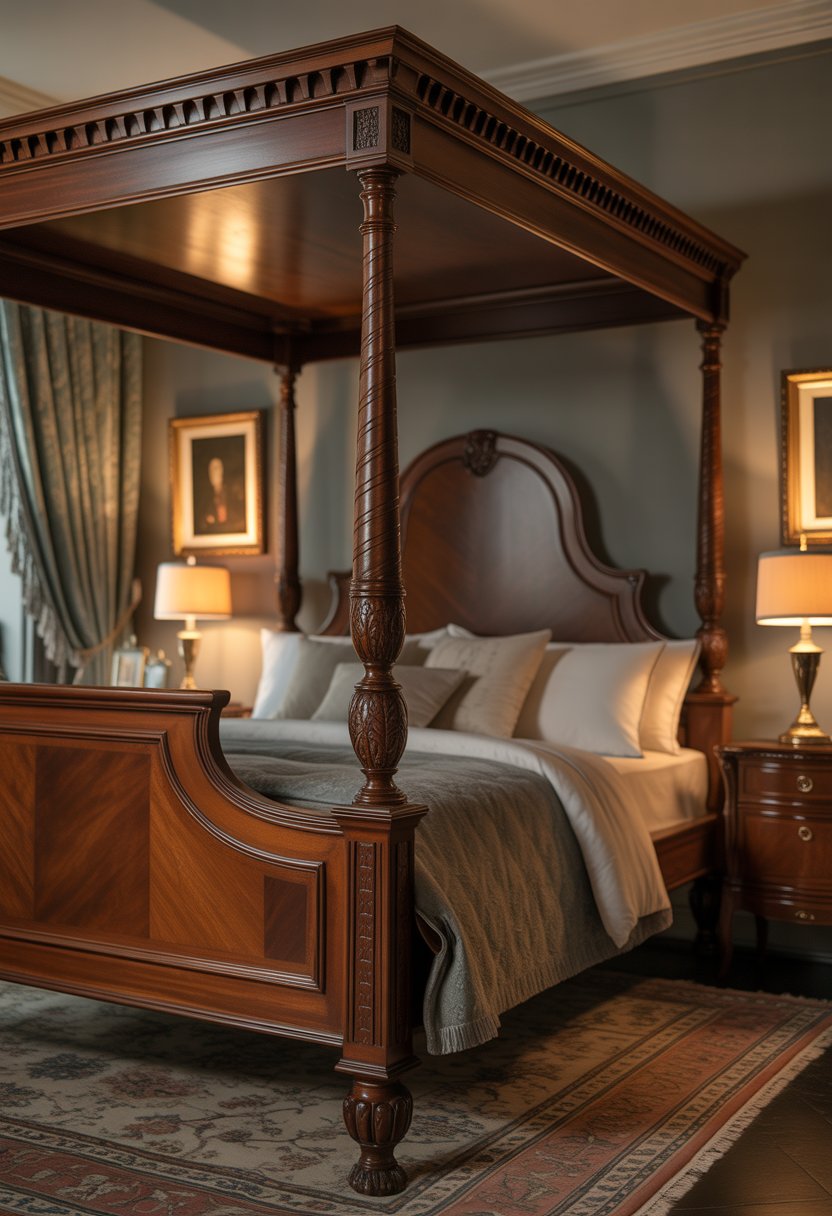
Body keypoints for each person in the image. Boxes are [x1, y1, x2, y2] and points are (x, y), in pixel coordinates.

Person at [194, 455, 246, 534]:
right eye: (210, 470)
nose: (213, 473)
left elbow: (239, 517)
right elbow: (201, 522)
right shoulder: (205, 497)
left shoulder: (232, 492)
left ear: (222, 470)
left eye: (216, 469)